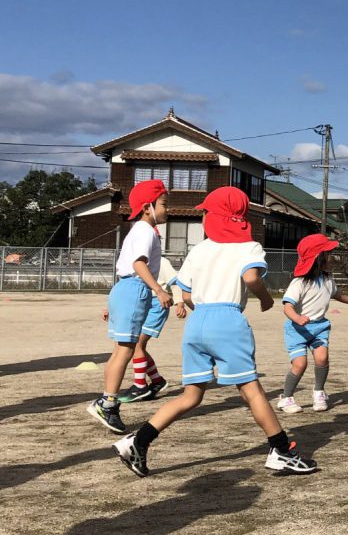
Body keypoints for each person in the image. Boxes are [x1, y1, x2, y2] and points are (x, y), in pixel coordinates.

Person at [113, 187, 317, 477]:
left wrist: (204, 311)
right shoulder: (249, 247)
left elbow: (185, 294)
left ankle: (138, 440)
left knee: (191, 396)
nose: (203, 217)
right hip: (228, 320)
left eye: (206, 212)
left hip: (198, 322)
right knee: (251, 389)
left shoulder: (200, 248)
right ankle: (282, 451)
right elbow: (251, 277)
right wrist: (267, 298)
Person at [87, 179, 173, 434]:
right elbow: (138, 264)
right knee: (125, 350)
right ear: (148, 207)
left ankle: (108, 402)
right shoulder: (146, 230)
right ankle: (107, 403)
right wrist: (158, 290)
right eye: (164, 204)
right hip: (135, 289)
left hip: (125, 289)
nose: (167, 209)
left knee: (120, 350)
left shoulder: (140, 230)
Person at [278, 234, 348, 415]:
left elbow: (337, 295)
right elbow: (287, 307)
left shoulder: (327, 279)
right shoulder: (299, 282)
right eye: (329, 254)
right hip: (297, 330)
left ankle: (319, 392)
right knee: (300, 364)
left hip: (319, 328)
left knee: (322, 358)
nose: (333, 258)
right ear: (318, 257)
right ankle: (286, 397)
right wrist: (297, 318)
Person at [116, 255, 185, 404]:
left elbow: (175, 283)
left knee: (137, 345)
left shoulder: (161, 261)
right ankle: (157, 381)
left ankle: (140, 386)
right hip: (139, 302)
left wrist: (180, 303)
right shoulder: (134, 262)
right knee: (135, 345)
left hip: (156, 305)